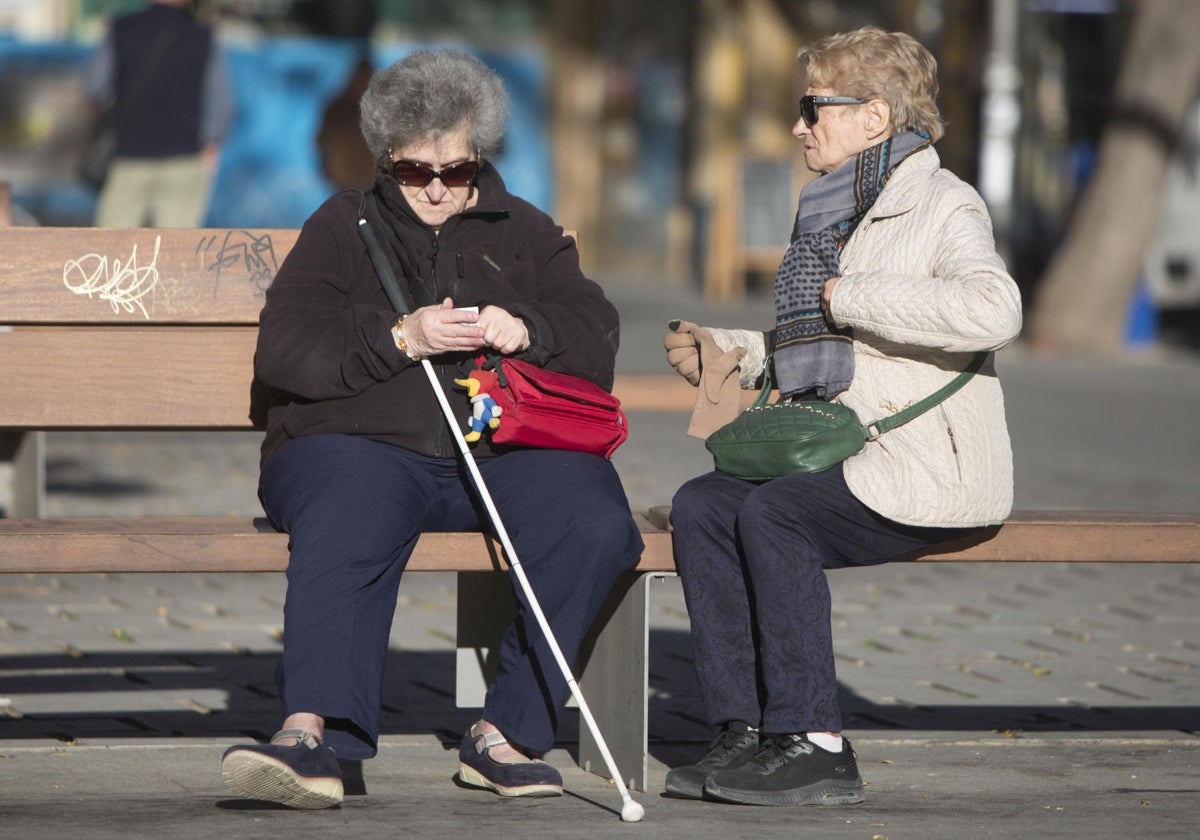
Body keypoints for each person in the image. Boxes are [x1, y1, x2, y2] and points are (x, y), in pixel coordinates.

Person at [220, 49, 643, 809]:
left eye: (457, 169)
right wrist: (400, 338)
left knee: (595, 522)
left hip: (500, 447)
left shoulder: (525, 230)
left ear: (480, 156)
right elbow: (286, 350)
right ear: (387, 161)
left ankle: (506, 733)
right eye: (416, 172)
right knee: (347, 510)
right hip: (358, 443)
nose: (439, 188)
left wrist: (528, 329)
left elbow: (595, 333)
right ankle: (312, 736)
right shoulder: (340, 226)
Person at [661, 26, 1022, 807]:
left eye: (812, 108)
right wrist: (728, 350)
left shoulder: (943, 201)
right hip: (849, 451)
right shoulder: (832, 206)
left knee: (776, 516)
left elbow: (995, 308)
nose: (797, 126)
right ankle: (746, 730)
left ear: (875, 116)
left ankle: (815, 741)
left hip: (929, 465)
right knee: (702, 506)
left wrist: (846, 294)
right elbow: (820, 348)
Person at [84, 0, 233, 227]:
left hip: (129, 155)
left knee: (115, 251)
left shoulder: (121, 28)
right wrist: (212, 143)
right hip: (184, 158)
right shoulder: (202, 35)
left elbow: (95, 86)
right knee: (178, 252)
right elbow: (221, 99)